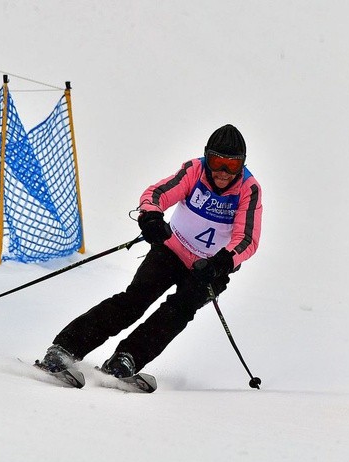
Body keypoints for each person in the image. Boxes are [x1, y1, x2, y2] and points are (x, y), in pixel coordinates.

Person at [37, 124, 263, 378]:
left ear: (242, 165)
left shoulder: (248, 189)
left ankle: (127, 359)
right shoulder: (195, 170)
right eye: (216, 161)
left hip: (208, 269)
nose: (222, 172)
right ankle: (65, 348)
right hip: (171, 250)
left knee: (178, 312)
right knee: (135, 301)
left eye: (231, 165)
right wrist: (151, 217)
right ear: (206, 157)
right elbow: (157, 194)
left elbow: (247, 238)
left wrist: (221, 262)